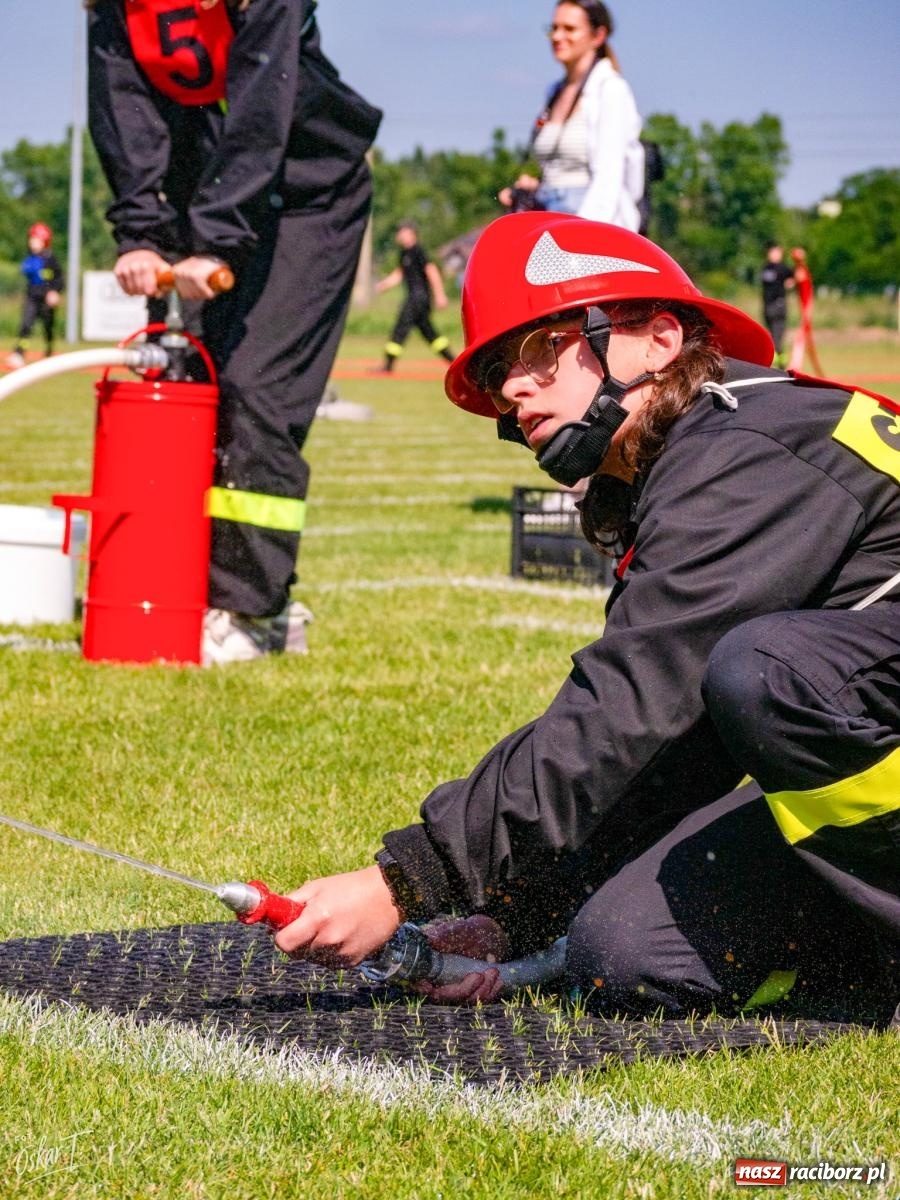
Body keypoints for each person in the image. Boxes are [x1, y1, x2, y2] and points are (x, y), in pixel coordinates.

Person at [274, 213, 899, 1024]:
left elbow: (625, 710)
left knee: (765, 669)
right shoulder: (688, 459)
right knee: (625, 953)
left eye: (540, 349)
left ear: (657, 339)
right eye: (500, 370)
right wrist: (518, 913)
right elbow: (672, 741)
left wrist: (406, 882)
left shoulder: (743, 453)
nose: (512, 387)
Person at [86, 0, 382, 665]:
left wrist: (215, 243)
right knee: (190, 386)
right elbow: (122, 112)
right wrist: (141, 235)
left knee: (255, 390)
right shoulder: (117, 9)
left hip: (311, 197)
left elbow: (257, 112)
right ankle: (186, 585)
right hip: (214, 199)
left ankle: (258, 610)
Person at [499, 1, 644, 230]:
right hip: (550, 216)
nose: (557, 36)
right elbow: (558, 168)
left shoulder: (611, 90)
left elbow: (609, 180)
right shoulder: (553, 92)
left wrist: (583, 235)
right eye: (553, 28)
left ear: (598, 35)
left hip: (590, 219)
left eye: (569, 29)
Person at [372, 223, 455, 373]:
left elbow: (432, 271)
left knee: (400, 328)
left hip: (419, 298)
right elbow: (399, 274)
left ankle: (388, 365)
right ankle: (452, 361)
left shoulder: (418, 251)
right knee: (429, 333)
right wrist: (384, 285)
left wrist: (440, 295)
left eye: (402, 232)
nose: (399, 235)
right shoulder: (404, 253)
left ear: (412, 234)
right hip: (414, 298)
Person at [6, 223, 64, 370]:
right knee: (26, 326)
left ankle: (49, 354)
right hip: (32, 297)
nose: (32, 242)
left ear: (44, 241)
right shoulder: (30, 258)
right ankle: (19, 354)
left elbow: (59, 278)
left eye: (36, 239)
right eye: (32, 239)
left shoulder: (50, 258)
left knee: (48, 328)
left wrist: (54, 292)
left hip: (46, 300)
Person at [788, 246, 824, 375]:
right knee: (805, 339)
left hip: (805, 308)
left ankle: (795, 366)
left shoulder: (801, 271)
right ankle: (814, 369)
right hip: (804, 308)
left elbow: (795, 283)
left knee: (800, 338)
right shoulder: (802, 270)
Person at [760, 242, 794, 367]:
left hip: (778, 306)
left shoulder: (783, 268)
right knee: (772, 338)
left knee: (777, 340)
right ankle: (778, 364)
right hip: (768, 307)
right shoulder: (767, 268)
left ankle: (780, 366)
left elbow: (795, 276)